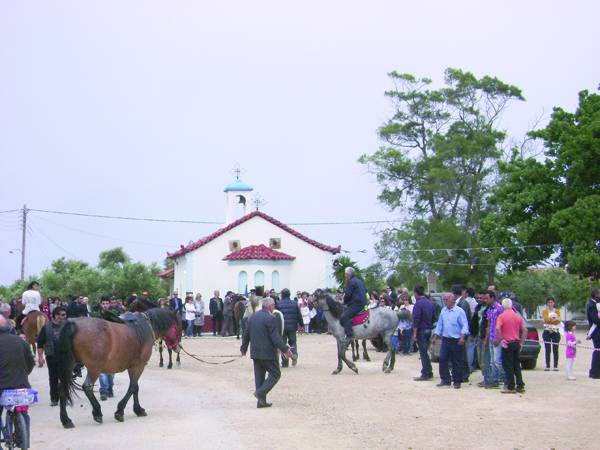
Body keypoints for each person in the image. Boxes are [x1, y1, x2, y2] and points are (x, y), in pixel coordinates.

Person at [240, 297, 293, 408]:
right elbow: (276, 338)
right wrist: (285, 349)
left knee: (259, 377)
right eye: (273, 305)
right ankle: (260, 393)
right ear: (270, 306)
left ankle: (261, 402)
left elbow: (246, 334)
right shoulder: (271, 318)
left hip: (255, 353)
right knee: (275, 374)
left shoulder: (253, 317)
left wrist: (243, 348)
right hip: (268, 353)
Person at [0, 315, 35, 441]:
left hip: (1, 387)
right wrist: (24, 375)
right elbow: (30, 363)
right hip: (21, 385)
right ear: (9, 327)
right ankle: (23, 440)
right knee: (24, 413)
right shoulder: (21, 342)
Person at [432, 293, 469, 389]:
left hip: (456, 339)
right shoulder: (443, 311)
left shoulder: (459, 311)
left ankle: (457, 381)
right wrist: (435, 336)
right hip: (446, 339)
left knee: (456, 361)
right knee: (443, 359)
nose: (445, 301)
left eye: (446, 299)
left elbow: (464, 325)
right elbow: (440, 324)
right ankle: (445, 379)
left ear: (452, 300)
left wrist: (462, 337)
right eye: (444, 299)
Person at [36, 306, 68, 406]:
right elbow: (40, 344)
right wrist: (40, 357)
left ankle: (65, 398)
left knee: (65, 379)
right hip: (52, 357)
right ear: (56, 316)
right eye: (62, 315)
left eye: (65, 315)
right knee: (53, 379)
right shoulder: (46, 328)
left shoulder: (67, 326)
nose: (64, 317)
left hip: (65, 357)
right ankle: (54, 398)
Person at [495, 298, 527, 393]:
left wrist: (501, 338)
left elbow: (497, 328)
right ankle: (520, 385)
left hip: (507, 343)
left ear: (502, 306)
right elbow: (525, 330)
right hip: (516, 342)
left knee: (507, 365)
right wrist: (521, 342)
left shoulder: (501, 316)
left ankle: (510, 386)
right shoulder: (517, 316)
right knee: (516, 364)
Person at [412, 286, 436, 381]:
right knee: (426, 351)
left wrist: (414, 333)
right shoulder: (430, 303)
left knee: (423, 352)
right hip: (429, 329)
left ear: (416, 293)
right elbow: (434, 317)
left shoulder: (418, 304)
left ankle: (426, 373)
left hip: (421, 330)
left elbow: (416, 319)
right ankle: (428, 371)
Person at [276, 288, 301, 367]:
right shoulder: (294, 303)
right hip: (293, 326)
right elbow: (299, 315)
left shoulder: (278, 304)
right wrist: (302, 325)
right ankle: (294, 355)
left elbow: (276, 316)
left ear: (282, 295)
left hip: (282, 328)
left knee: (283, 344)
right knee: (293, 342)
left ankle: (285, 362)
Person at [484, 293, 505, 389]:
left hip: (498, 338)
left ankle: (507, 378)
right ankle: (495, 380)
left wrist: (499, 338)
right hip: (491, 338)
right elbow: (488, 325)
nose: (485, 300)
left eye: (487, 298)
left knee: (497, 361)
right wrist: (486, 339)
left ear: (492, 298)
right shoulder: (489, 310)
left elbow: (503, 325)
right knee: (492, 361)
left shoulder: (500, 308)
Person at [340, 267, 367, 341]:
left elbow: (348, 294)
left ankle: (349, 335)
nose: (345, 276)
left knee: (344, 316)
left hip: (356, 304)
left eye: (345, 274)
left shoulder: (351, 282)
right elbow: (365, 290)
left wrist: (344, 301)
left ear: (348, 274)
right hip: (363, 303)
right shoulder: (360, 281)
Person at [542, 297, 561, 371]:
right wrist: (552, 319)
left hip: (555, 331)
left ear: (554, 303)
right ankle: (547, 365)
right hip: (547, 331)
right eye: (549, 302)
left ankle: (555, 365)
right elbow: (545, 319)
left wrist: (549, 320)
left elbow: (558, 321)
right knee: (547, 348)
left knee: (555, 349)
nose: (550, 304)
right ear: (547, 303)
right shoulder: (545, 311)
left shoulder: (557, 311)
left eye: (551, 302)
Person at [586, 288, 600, 379]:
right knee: (597, 351)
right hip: (596, 331)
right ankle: (594, 372)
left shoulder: (596, 304)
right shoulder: (591, 305)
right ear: (595, 294)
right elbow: (595, 320)